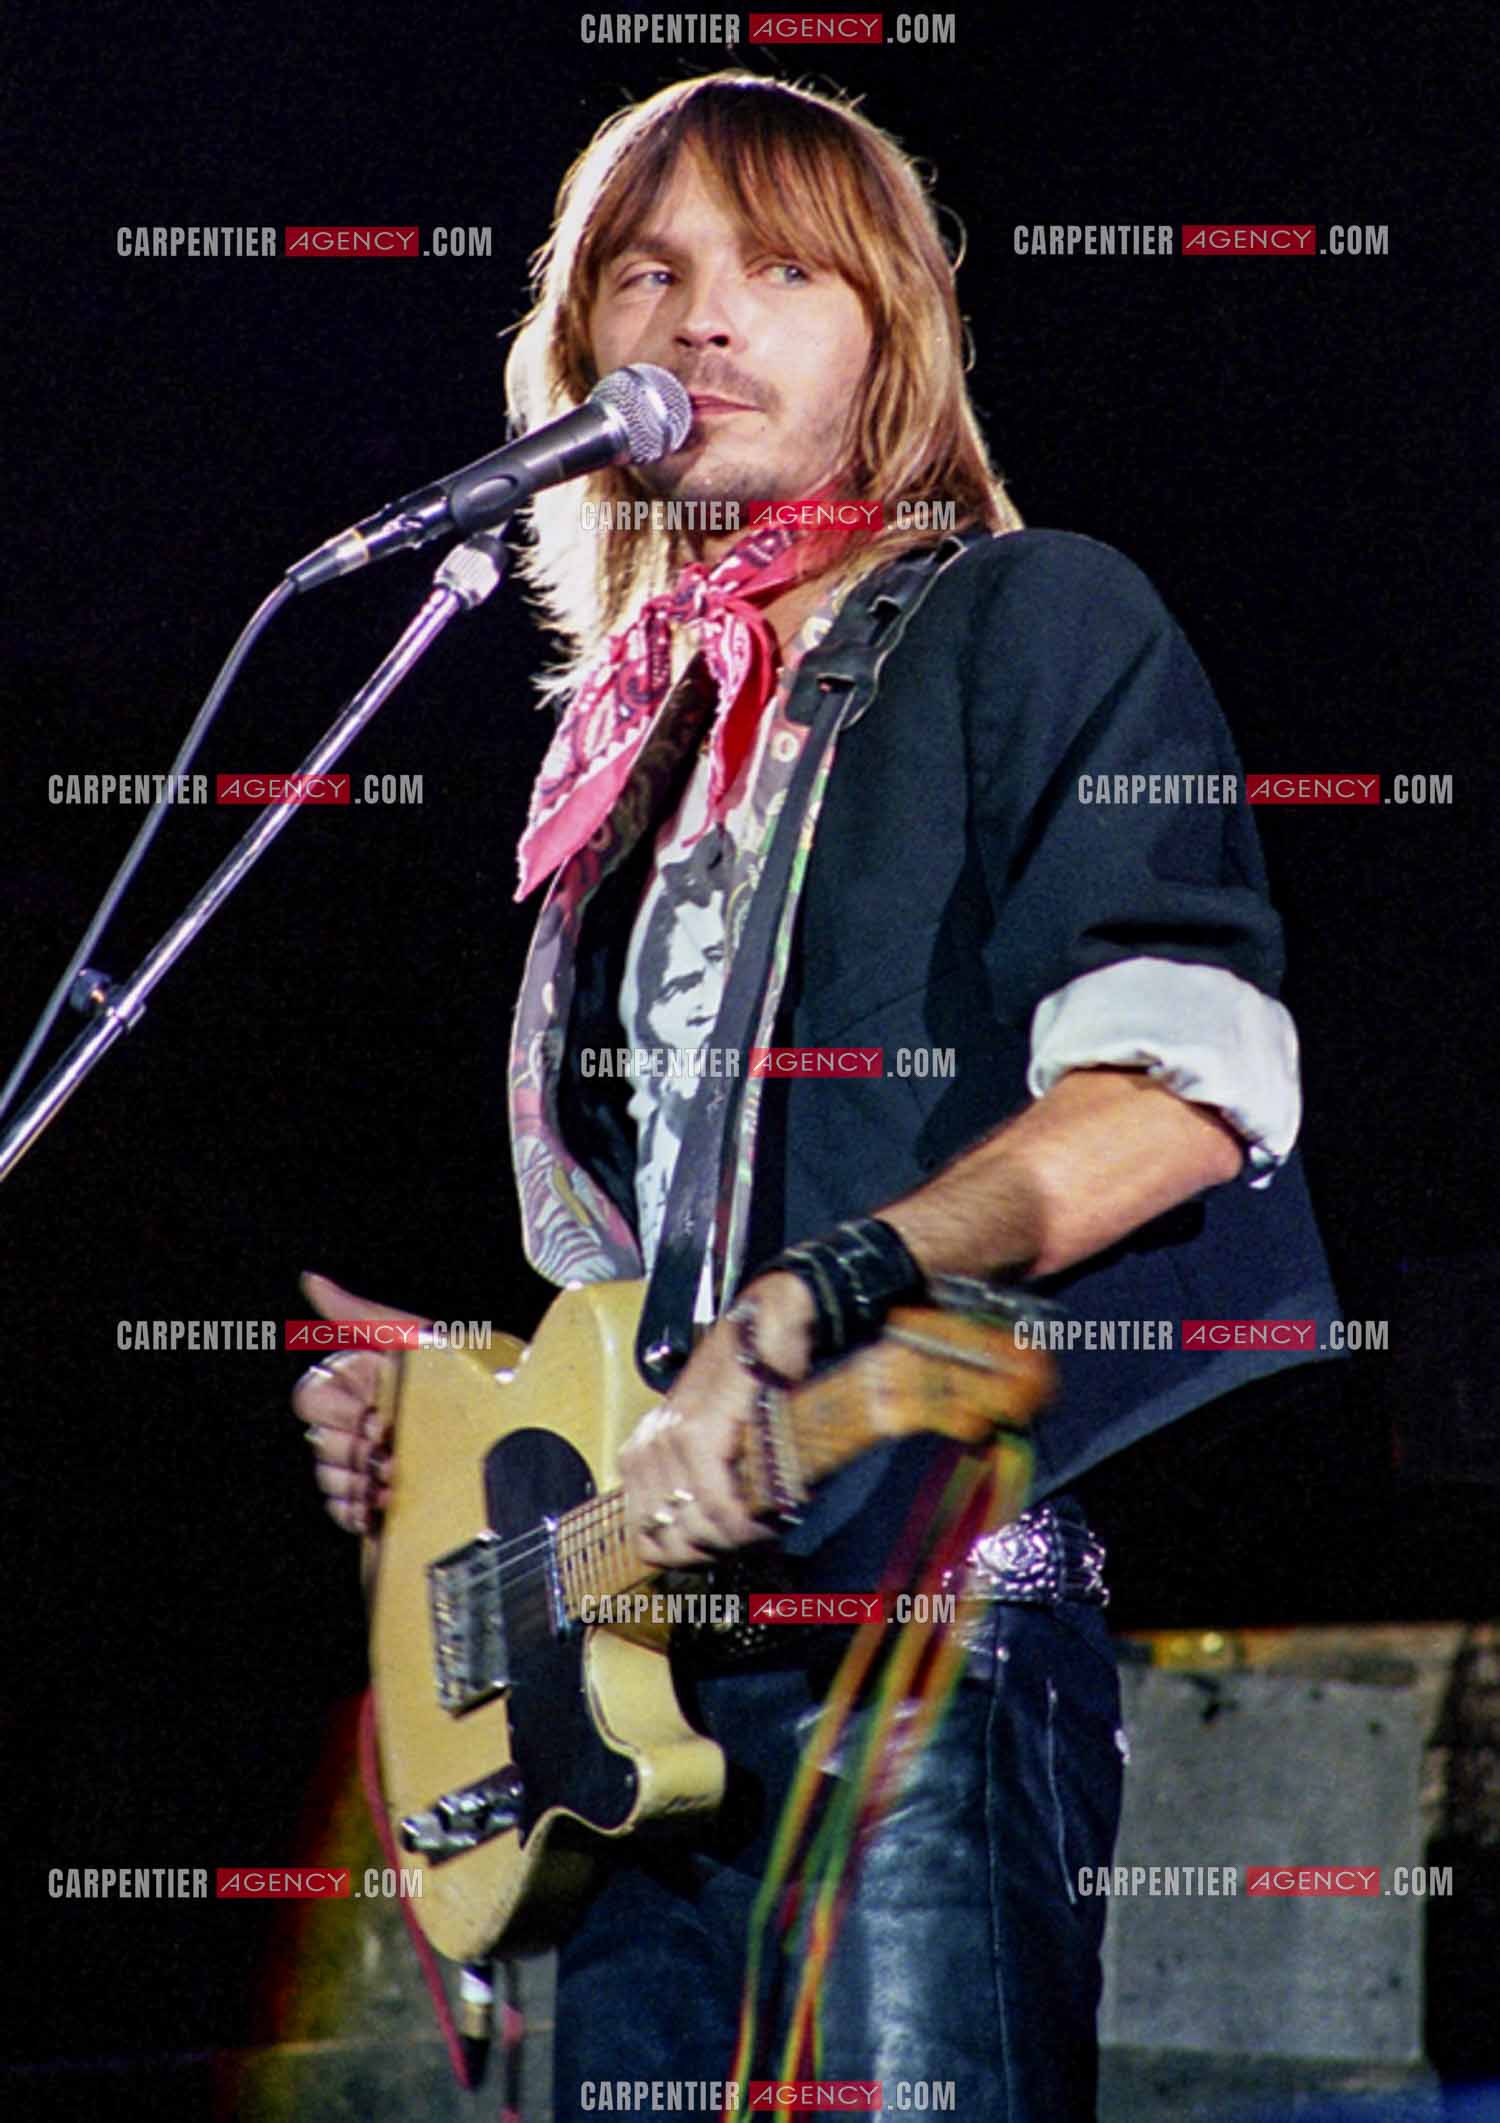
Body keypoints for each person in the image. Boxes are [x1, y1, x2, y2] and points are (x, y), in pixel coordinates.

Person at [294, 72, 1341, 2120]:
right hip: (636, 1690)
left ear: (892, 331)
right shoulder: (625, 770)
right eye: (646, 274)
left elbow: (1184, 1090)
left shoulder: (1034, 620)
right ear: (574, 351)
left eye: (781, 269)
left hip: (918, 1652)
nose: (702, 319)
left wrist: (829, 1288)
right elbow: (627, 1298)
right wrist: (456, 1435)